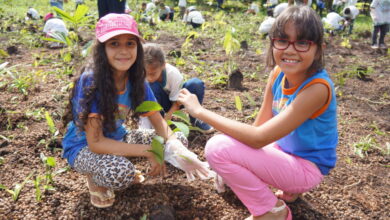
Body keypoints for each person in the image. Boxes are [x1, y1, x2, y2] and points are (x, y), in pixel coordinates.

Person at [178, 6, 337, 220]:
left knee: (217, 148)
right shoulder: (278, 74)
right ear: (272, 43)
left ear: (319, 49)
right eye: (282, 41)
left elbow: (258, 139)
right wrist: (232, 165)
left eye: (302, 43)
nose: (290, 50)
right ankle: (290, 189)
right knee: (230, 157)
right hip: (285, 152)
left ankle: (271, 212)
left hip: (307, 168)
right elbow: (259, 128)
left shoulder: (316, 88)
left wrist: (200, 111)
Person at [61, 13, 211, 208]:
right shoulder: (92, 80)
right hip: (84, 148)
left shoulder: (136, 80)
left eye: (130, 44)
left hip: (119, 138)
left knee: (178, 140)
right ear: (102, 49)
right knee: (118, 173)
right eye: (114, 43)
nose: (123, 51)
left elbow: (158, 122)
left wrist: (176, 147)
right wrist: (149, 151)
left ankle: (120, 159)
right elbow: (96, 143)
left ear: (138, 48)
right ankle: (94, 177)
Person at [142, 43, 214, 133]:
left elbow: (177, 103)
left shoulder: (173, 74)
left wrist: (165, 121)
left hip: (176, 101)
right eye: (146, 73)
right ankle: (155, 121)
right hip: (156, 104)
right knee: (151, 86)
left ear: (163, 65)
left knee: (196, 84)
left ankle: (196, 119)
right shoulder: (140, 75)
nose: (149, 78)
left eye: (153, 73)